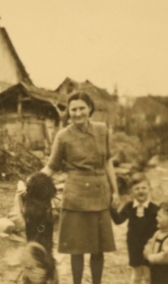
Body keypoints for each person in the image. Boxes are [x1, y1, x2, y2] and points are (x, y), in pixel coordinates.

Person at [41, 92, 119, 284]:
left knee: (98, 248)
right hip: (75, 197)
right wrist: (34, 180)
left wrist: (115, 190)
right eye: (73, 109)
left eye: (81, 108)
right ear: (68, 112)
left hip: (100, 194)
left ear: (89, 108)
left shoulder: (102, 129)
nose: (77, 113)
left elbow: (108, 161)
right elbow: (52, 166)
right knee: (77, 249)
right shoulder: (63, 136)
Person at [110, 174, 158, 284]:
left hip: (150, 245)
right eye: (137, 189)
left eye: (144, 188)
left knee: (147, 275)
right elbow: (118, 220)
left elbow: (161, 226)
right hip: (134, 244)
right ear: (131, 191)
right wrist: (112, 208)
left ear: (149, 189)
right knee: (136, 273)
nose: (141, 191)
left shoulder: (154, 209)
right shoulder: (129, 206)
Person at [144, 200, 168, 284]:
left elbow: (166, 256)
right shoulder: (158, 233)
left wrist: (151, 257)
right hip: (155, 269)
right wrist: (147, 251)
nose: (156, 218)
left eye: (160, 217)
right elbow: (150, 243)